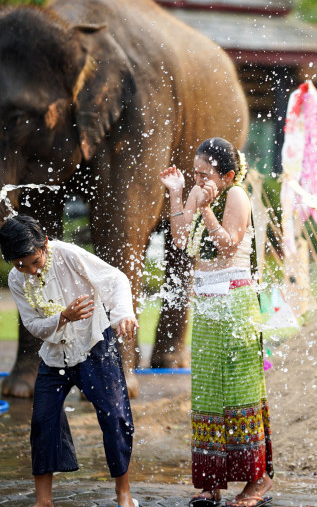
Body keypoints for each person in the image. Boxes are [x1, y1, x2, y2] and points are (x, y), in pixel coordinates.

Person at [160, 138, 273, 507]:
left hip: (237, 304)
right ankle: (211, 484)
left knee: (241, 391)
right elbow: (180, 242)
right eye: (194, 174)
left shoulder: (236, 195)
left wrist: (206, 209)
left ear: (226, 175)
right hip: (207, 305)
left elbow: (227, 245)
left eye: (204, 175)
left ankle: (258, 481)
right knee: (208, 392)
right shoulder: (196, 192)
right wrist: (178, 194)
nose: (198, 180)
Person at [0, 215, 139, 507]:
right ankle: (44, 501)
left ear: (45, 245)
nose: (30, 271)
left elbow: (115, 279)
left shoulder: (69, 255)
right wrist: (63, 317)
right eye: (20, 265)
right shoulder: (17, 278)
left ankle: (123, 492)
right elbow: (33, 325)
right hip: (54, 356)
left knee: (115, 417)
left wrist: (124, 313)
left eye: (34, 262)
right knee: (42, 421)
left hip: (94, 345)